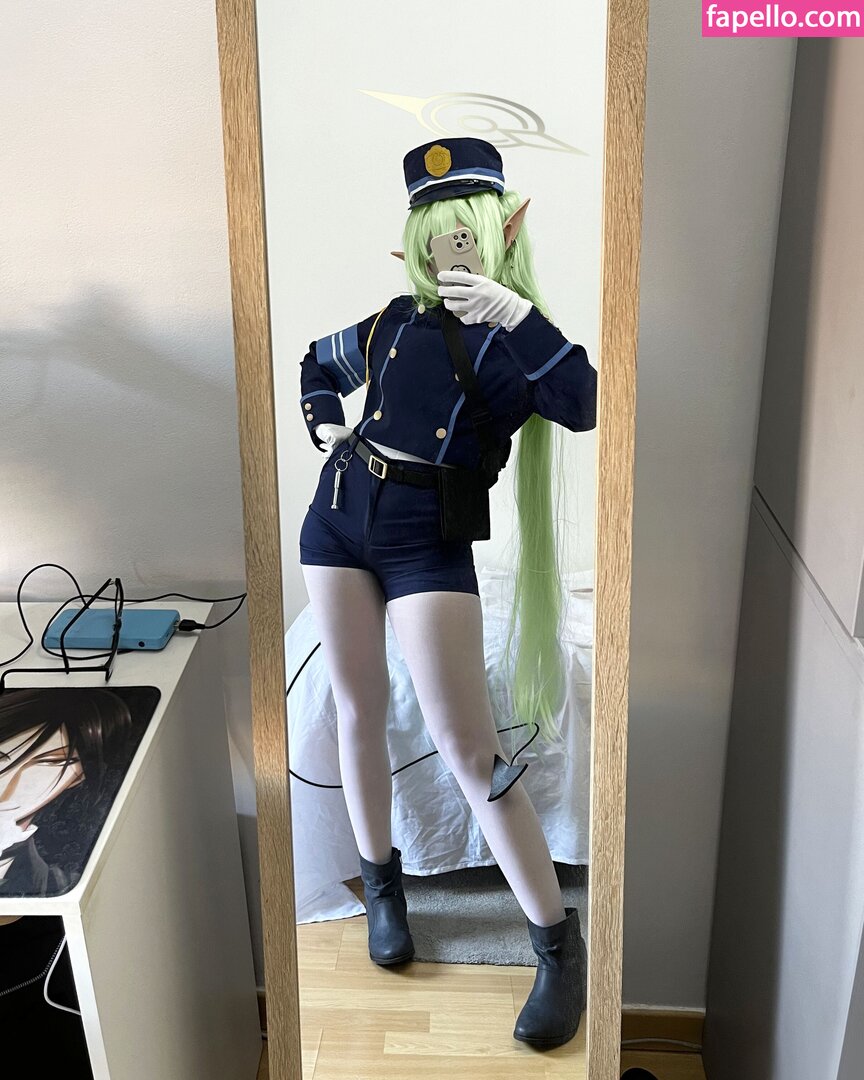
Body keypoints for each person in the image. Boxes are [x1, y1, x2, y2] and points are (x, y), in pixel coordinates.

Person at [297, 136, 596, 1049]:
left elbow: (586, 402)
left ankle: (557, 944)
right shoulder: (394, 321)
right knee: (356, 709)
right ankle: (384, 887)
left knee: (471, 749)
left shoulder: (518, 345)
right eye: (432, 234)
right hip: (338, 516)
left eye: (461, 232)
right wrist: (324, 422)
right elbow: (317, 360)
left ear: (503, 228)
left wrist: (520, 315)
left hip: (428, 535)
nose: (445, 252)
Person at [0, 687, 132, 897]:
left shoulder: (54, 885)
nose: (10, 785)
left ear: (77, 778)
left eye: (48, 763)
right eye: (1, 756)